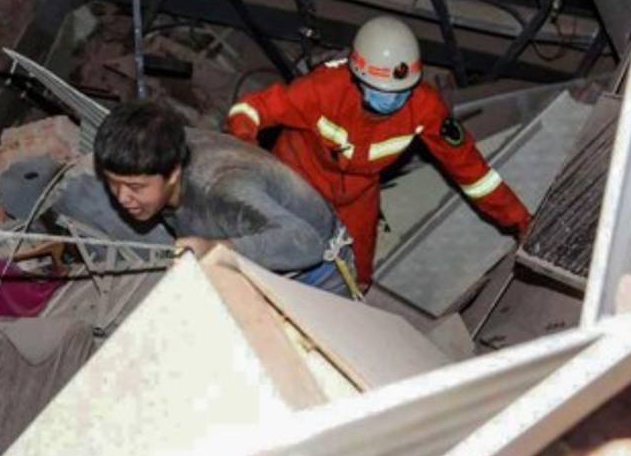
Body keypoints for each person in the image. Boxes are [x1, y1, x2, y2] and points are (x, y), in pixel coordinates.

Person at [225, 15, 530, 290]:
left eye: (402, 91)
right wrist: (250, 155)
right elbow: (251, 109)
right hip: (296, 182)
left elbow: (472, 172)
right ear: (357, 77)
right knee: (274, 250)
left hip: (358, 197)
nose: (393, 100)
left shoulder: (424, 107)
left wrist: (519, 220)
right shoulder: (322, 91)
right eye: (382, 90)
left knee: (358, 273)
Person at [93, 99, 355, 292]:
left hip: (318, 273)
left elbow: (306, 243)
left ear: (173, 173)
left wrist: (218, 248)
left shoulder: (222, 188)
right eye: (112, 182)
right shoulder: (158, 145)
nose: (122, 197)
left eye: (135, 187)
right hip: (263, 250)